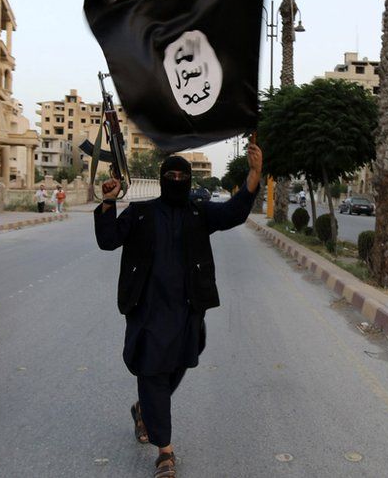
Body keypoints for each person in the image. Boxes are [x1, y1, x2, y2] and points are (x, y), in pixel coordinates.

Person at [94, 144, 262, 478]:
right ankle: (165, 453)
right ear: (161, 180)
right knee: (153, 372)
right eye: (170, 175)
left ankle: (145, 409)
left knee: (181, 362)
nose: (176, 180)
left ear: (187, 180)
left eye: (181, 176)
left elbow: (234, 213)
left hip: (188, 311)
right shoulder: (141, 213)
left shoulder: (199, 212)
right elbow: (108, 239)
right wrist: (109, 201)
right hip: (148, 311)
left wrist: (254, 175)